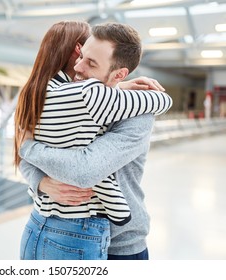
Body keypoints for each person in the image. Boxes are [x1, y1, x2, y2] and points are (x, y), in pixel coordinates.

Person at [14, 21, 172, 260]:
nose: (78, 67)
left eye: (90, 62)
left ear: (119, 74)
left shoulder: (137, 114)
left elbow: (84, 169)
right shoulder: (62, 99)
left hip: (119, 245)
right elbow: (27, 150)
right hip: (54, 224)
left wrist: (28, 148)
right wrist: (41, 182)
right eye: (80, 56)